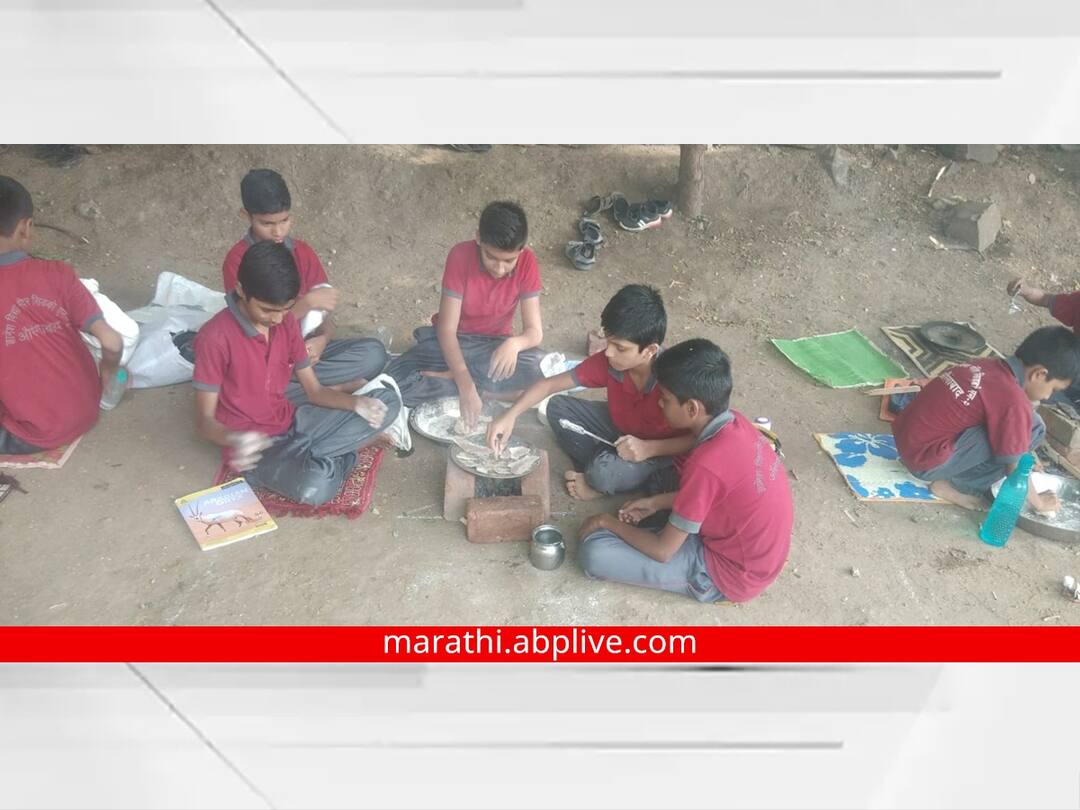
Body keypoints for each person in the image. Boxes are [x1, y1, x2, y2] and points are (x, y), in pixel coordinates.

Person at [577, 339, 793, 604]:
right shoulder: (736, 423)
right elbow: (716, 495)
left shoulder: (707, 463)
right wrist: (655, 503)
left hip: (728, 573)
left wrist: (603, 522)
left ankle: (698, 579)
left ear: (692, 408)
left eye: (665, 399)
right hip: (755, 554)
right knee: (655, 500)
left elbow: (662, 551)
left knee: (595, 551)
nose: (659, 405)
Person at [193, 241, 401, 506]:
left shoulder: (286, 322)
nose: (277, 319)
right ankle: (337, 452)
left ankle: (320, 452)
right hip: (259, 446)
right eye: (267, 310)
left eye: (284, 308)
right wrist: (235, 439)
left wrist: (357, 403)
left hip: (293, 419)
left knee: (388, 401)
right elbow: (203, 422)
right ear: (241, 291)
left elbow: (314, 392)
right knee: (314, 488)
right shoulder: (215, 338)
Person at [486, 284, 694, 500]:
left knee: (603, 473)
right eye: (608, 342)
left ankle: (609, 476)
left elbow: (698, 437)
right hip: (619, 429)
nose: (609, 353)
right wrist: (510, 415)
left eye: (620, 347)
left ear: (650, 350)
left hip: (658, 451)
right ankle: (607, 470)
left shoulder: (674, 379)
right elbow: (547, 385)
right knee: (557, 407)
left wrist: (648, 449)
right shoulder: (610, 361)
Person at [222, 168, 387, 401]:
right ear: (246, 216)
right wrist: (306, 303)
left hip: (302, 357)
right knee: (245, 379)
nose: (278, 231)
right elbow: (252, 331)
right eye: (267, 223)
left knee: (374, 353)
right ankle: (328, 391)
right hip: (264, 355)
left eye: (284, 220)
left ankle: (306, 391)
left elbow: (324, 320)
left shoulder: (303, 253)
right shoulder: (237, 261)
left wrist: (322, 340)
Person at [387, 201, 547, 428]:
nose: (500, 269)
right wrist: (464, 382)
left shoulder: (528, 262)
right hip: (454, 343)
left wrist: (514, 344)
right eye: (491, 257)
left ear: (521, 250)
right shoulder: (460, 255)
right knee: (396, 378)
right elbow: (446, 329)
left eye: (509, 260)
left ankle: (472, 389)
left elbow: (534, 332)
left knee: (541, 368)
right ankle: (473, 387)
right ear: (478, 239)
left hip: (494, 348)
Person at [892, 325, 1080, 511]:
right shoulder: (1014, 400)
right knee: (1032, 429)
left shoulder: (985, 364)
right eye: (1053, 389)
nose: (1048, 397)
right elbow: (1012, 466)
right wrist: (1038, 502)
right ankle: (955, 486)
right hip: (924, 462)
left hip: (906, 442)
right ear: (1039, 374)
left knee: (1027, 424)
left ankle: (954, 475)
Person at [0, 175, 123, 455]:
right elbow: (112, 341)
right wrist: (109, 371)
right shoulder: (57, 273)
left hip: (33, 433)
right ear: (26, 228)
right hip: (86, 409)